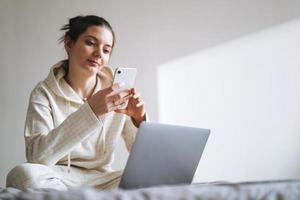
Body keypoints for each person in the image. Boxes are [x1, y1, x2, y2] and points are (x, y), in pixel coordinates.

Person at [6, 15, 147, 190]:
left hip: (102, 179)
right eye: (90, 43)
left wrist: (139, 120)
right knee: (22, 174)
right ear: (69, 43)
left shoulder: (116, 92)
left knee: (153, 175)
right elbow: (37, 157)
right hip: (56, 178)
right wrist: (92, 111)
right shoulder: (43, 93)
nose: (98, 54)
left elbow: (145, 160)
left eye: (106, 50)